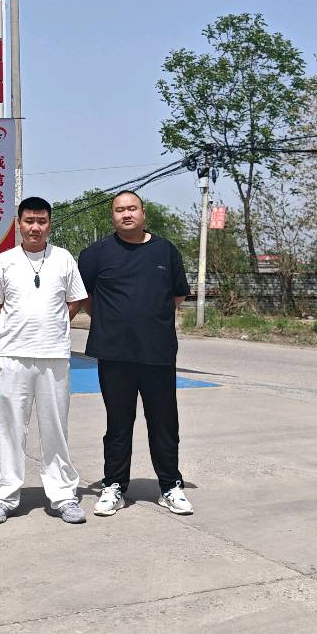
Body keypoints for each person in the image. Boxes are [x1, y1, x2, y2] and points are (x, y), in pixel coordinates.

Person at [79, 191, 193, 516]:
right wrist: (112, 320)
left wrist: (148, 320)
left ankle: (170, 486)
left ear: (143, 213)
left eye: (132, 208)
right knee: (118, 423)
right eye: (119, 210)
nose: (126, 214)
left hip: (157, 352)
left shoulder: (165, 250)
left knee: (164, 422)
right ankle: (114, 486)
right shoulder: (95, 254)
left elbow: (177, 296)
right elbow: (83, 297)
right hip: (114, 353)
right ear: (112, 216)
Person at [0, 197, 89, 526]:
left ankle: (63, 494)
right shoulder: (4, 261)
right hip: (13, 355)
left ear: (49, 224)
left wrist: (55, 325)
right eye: (29, 221)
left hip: (54, 355)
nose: (35, 227)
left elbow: (76, 300)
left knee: (55, 427)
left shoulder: (63, 258)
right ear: (19, 224)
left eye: (41, 221)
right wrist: (15, 328)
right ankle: (4, 496)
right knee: (10, 427)